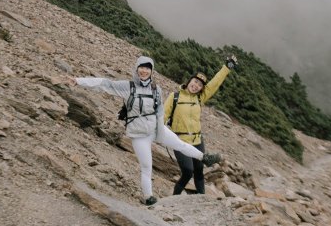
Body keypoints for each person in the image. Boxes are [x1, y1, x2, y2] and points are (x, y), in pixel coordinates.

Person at [71, 55, 221, 205]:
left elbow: (160, 112)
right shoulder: (128, 87)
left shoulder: (156, 89)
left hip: (155, 128)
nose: (144, 71)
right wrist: (78, 81)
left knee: (179, 144)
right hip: (139, 135)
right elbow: (105, 84)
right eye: (142, 67)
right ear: (136, 69)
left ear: (151, 71)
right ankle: (149, 197)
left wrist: (161, 134)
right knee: (146, 166)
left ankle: (204, 158)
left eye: (148, 68)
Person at [163, 54, 236, 195]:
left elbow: (215, 83)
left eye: (200, 85)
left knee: (199, 171)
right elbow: (163, 116)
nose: (196, 86)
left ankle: (202, 199)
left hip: (197, 140)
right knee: (187, 171)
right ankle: (174, 199)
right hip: (179, 141)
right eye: (195, 81)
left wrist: (227, 68)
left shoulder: (200, 98)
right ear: (189, 80)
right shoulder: (175, 97)